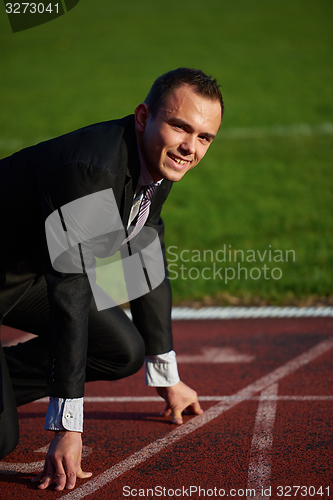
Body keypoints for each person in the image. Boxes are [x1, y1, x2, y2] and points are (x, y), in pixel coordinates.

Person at [0, 67, 223, 490]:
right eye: (180, 126)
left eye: (204, 137)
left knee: (122, 350)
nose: (190, 148)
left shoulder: (159, 161)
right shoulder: (90, 169)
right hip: (31, 276)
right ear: (143, 117)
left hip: (22, 276)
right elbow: (71, 290)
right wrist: (68, 428)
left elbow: (142, 257)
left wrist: (166, 376)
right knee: (1, 437)